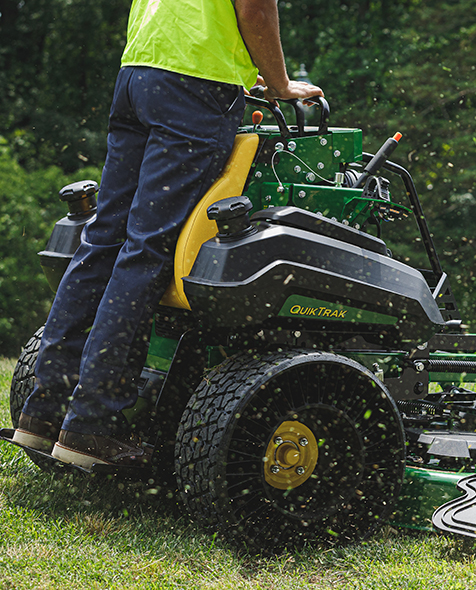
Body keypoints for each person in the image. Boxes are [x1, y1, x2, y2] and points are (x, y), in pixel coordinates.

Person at [12, 0, 323, 469]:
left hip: (139, 73)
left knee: (103, 241)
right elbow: (255, 8)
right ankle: (91, 426)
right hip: (193, 90)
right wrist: (279, 85)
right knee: (147, 249)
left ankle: (43, 415)